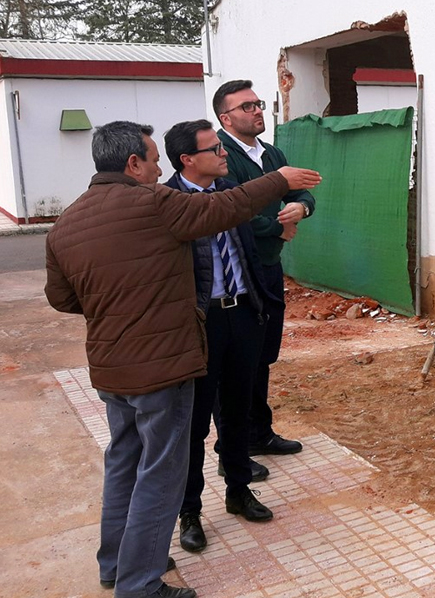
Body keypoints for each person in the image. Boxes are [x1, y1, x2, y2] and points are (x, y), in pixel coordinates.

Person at [45, 121, 319, 598]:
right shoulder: (154, 203)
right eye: (152, 160)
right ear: (132, 163)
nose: (157, 168)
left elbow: (63, 298)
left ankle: (114, 564)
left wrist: (118, 302)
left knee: (125, 464)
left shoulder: (67, 222)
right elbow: (224, 208)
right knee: (162, 475)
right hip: (162, 366)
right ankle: (140, 585)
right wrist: (279, 180)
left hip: (112, 369)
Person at [162, 119, 277, 554]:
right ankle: (189, 510)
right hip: (199, 323)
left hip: (242, 314)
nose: (224, 153)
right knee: (193, 423)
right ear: (187, 159)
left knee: (237, 410)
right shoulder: (168, 202)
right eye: (214, 148)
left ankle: (238, 490)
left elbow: (250, 250)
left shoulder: (230, 194)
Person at [213, 79, 316, 457]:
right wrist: (278, 226)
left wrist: (301, 208)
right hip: (236, 275)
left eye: (258, 104)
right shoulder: (221, 157)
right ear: (225, 117)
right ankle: (233, 446)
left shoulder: (271, 154)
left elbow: (300, 191)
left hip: (268, 267)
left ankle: (260, 432)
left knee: (262, 355)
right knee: (236, 361)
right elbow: (233, 210)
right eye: (247, 106)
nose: (257, 110)